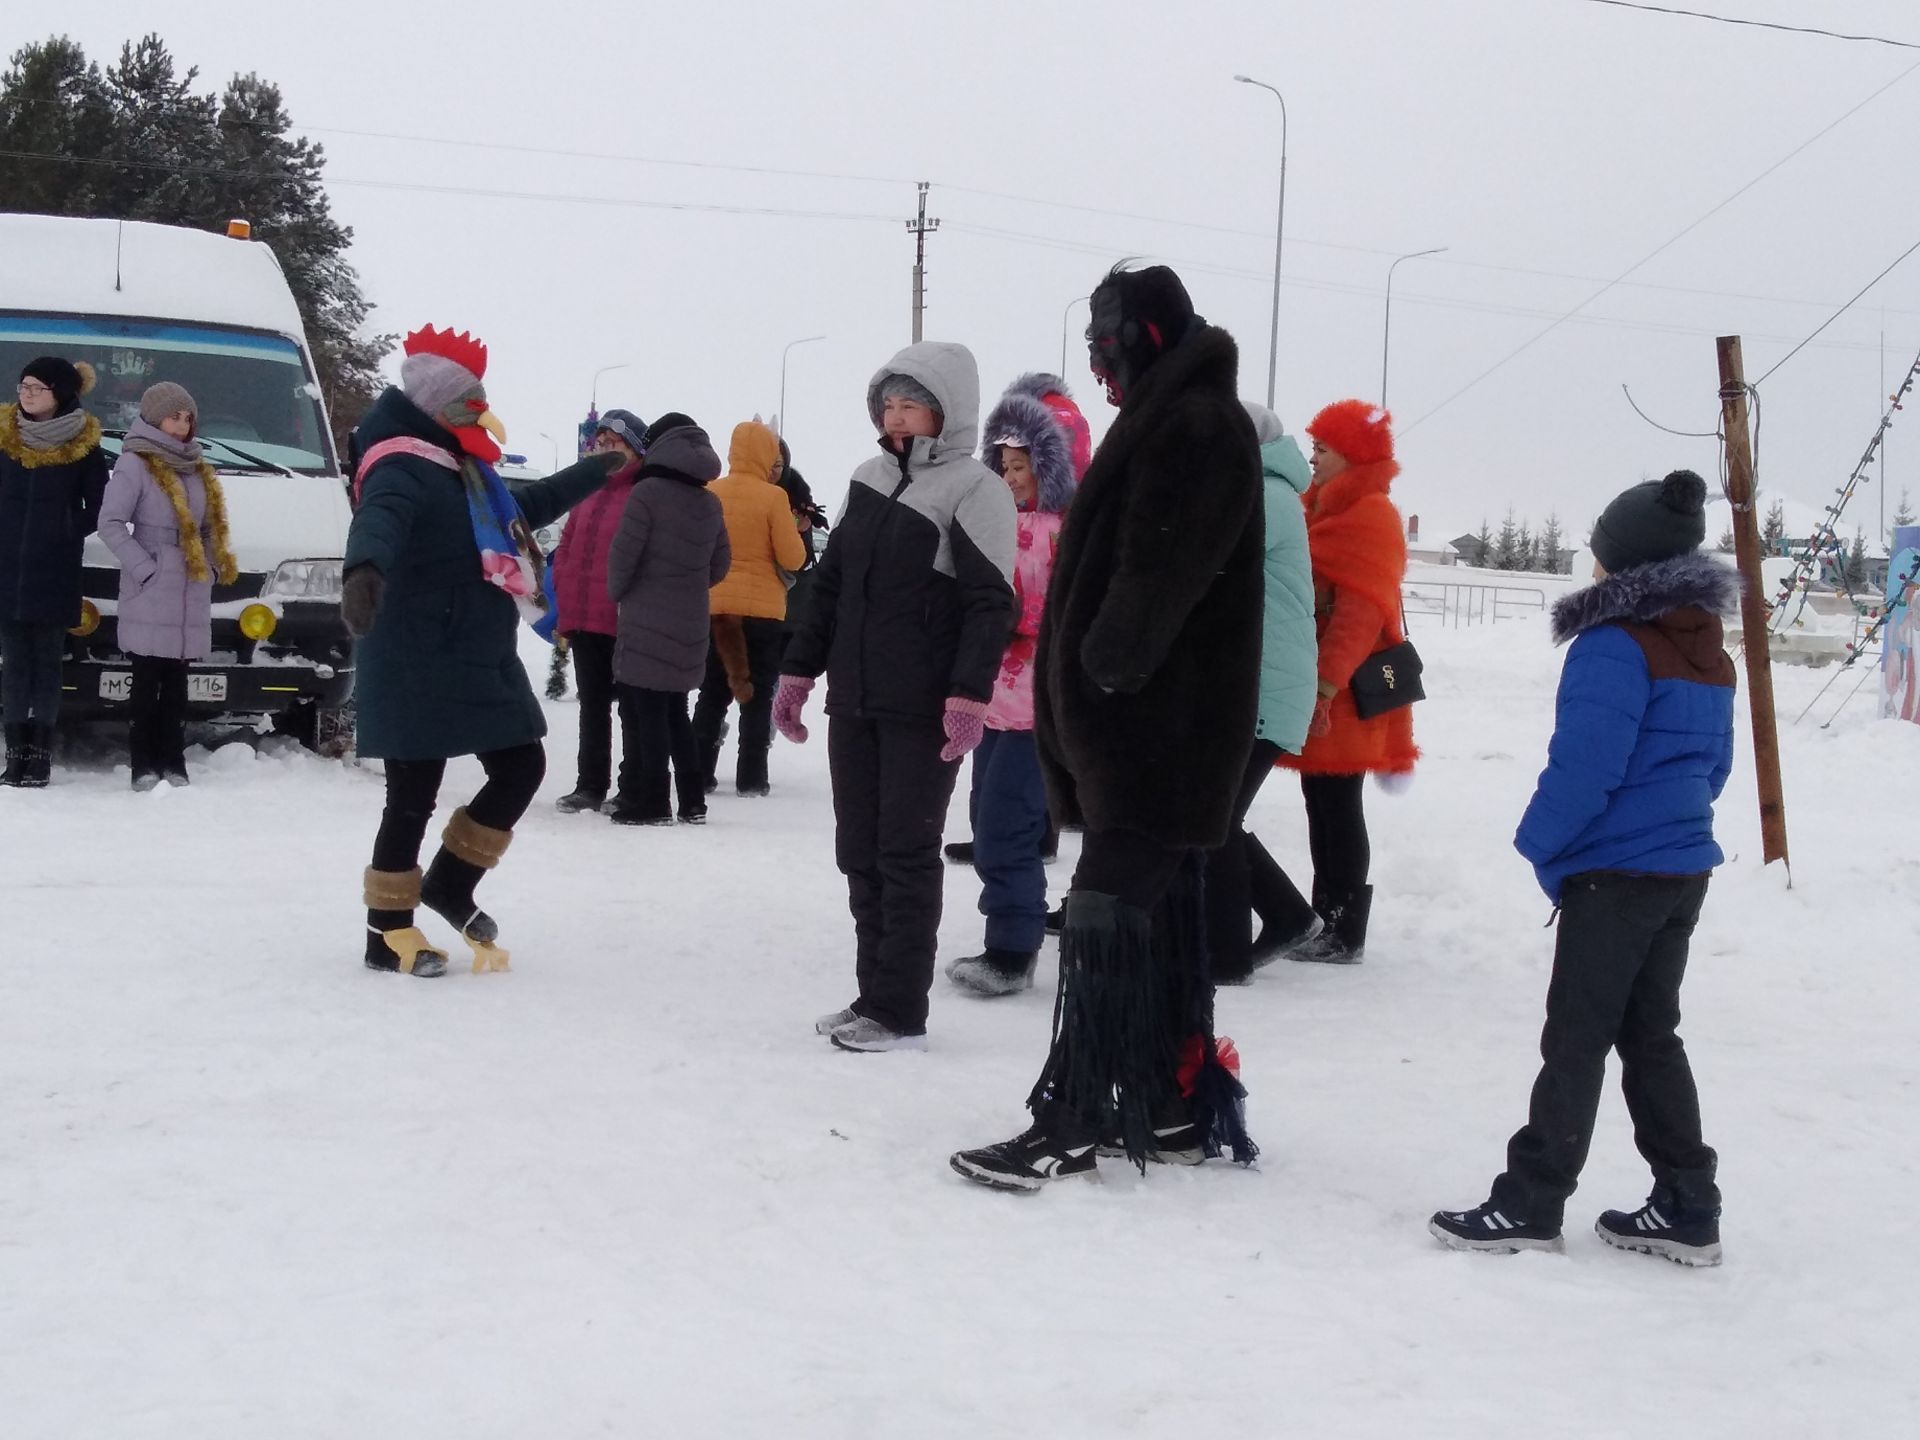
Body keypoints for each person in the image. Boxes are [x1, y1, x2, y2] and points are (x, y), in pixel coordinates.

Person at [950, 263, 1264, 1190]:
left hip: (1161, 733)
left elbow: (1161, 564)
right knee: (1155, 923)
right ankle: (1172, 1108)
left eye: (1106, 342)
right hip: (1147, 732)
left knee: (1101, 919)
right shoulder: (1168, 415)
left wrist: (1107, 664)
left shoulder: (1198, 423)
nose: (1097, 364)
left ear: (1147, 336)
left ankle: (1073, 1118)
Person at [1431, 470, 1735, 1266]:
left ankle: (1530, 1204)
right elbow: (1714, 769)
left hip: (1618, 876)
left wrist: (1540, 842)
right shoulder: (1706, 645)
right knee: (1650, 1034)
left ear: (1618, 563)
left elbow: (1586, 768)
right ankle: (1687, 1201)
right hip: (1678, 870)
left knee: (1576, 1038)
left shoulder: (1613, 644)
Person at [343, 325, 621, 978]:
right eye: (471, 401)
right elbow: (378, 517)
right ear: (442, 407)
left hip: (470, 649)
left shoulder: (462, 471)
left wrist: (589, 472)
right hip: (417, 649)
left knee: (521, 764)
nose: (482, 410)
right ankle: (386, 930)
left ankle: (449, 882)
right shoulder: (402, 463)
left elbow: (519, 510)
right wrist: (364, 572)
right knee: (412, 792)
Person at [773, 341, 1016, 1053]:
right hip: (855, 698)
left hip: (923, 705)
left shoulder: (977, 490)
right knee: (860, 851)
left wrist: (969, 694)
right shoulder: (867, 478)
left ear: (946, 412)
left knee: (905, 853)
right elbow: (829, 585)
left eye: (911, 403)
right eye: (889, 402)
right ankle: (870, 995)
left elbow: (988, 602)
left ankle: (901, 1007)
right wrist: (798, 671)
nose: (896, 415)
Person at [944, 374, 1086, 997]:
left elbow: (1066, 614)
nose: (1009, 473)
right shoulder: (997, 520)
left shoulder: (1068, 533)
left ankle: (1012, 945)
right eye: (1001, 460)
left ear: (1053, 463)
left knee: (1007, 825)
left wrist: (1016, 617)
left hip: (1038, 708)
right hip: (994, 703)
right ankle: (1011, 930)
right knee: (988, 818)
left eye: (1022, 461)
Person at [1262, 399, 1418, 963]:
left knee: (1337, 803)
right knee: (1322, 801)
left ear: (1352, 455)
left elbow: (1360, 615)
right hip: (1328, 683)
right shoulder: (1323, 508)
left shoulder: (1370, 514)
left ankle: (1342, 926)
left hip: (1346, 690)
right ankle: (1328, 916)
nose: (1313, 457)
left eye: (1323, 449)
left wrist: (1324, 688)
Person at [1204, 400, 1318, 984]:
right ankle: (1288, 916)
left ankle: (1227, 954)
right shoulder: (1261, 492)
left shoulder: (1265, 498)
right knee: (1218, 815)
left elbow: (1208, 563)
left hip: (1264, 687)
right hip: (1259, 682)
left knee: (1214, 818)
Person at [97, 382, 239, 791]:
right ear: (154, 416)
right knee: (145, 679)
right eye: (174, 416)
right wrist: (145, 567)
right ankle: (143, 763)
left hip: (190, 585)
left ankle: (174, 760)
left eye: (187, 417)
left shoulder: (196, 466)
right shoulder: (135, 463)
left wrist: (211, 567)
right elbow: (110, 522)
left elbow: (211, 526)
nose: (181, 424)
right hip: (152, 584)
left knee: (178, 682)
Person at [605, 413, 730, 825]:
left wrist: (619, 591)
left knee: (649, 711)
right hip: (691, 618)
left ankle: (653, 802)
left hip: (645, 614)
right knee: (676, 709)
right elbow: (720, 565)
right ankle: (693, 801)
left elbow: (624, 555)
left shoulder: (647, 493)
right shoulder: (710, 502)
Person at [1, 357, 109, 786]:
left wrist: (65, 530)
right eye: (23, 385)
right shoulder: (6, 438)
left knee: (47, 664)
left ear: (60, 393)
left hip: (55, 571)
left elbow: (100, 507)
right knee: (14, 666)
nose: (26, 394)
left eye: (37, 388)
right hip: (7, 571)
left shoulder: (83, 446)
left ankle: (40, 755)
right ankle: (14, 755)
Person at [692, 419, 808, 797]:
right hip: (764, 612)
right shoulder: (773, 498)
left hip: (717, 606)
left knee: (712, 693)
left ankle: (699, 771)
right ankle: (752, 778)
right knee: (757, 697)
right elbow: (793, 558)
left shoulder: (711, 491)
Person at [548, 407, 648, 813]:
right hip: (586, 615)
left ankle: (630, 786)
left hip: (624, 616)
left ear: (636, 449)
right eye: (600, 442)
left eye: (614, 442)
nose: (605, 449)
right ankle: (589, 784)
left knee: (631, 707)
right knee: (591, 705)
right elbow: (568, 548)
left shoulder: (642, 492)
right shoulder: (587, 491)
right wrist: (565, 599)